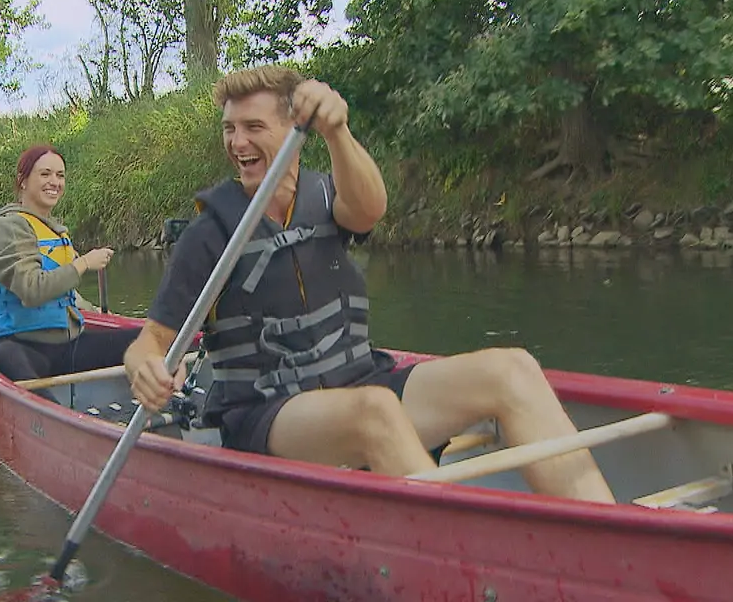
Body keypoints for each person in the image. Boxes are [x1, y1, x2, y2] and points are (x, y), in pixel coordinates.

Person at [122, 65, 616, 503]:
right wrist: (146, 370)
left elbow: (369, 209)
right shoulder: (209, 236)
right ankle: (466, 557)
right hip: (266, 413)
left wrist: (337, 130)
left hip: (358, 380)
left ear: (295, 128)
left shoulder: (324, 192)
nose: (237, 143)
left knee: (512, 369)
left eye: (254, 127)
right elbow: (152, 343)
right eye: (229, 129)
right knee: (375, 411)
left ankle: (603, 536)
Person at [0, 144, 140, 399]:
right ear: (23, 181)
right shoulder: (9, 227)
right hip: (24, 349)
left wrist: (92, 310)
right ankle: (51, 418)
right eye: (45, 174)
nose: (54, 182)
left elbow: (65, 293)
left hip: (67, 346)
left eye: (60, 175)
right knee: (5, 357)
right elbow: (32, 290)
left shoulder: (55, 230)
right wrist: (84, 263)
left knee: (149, 338)